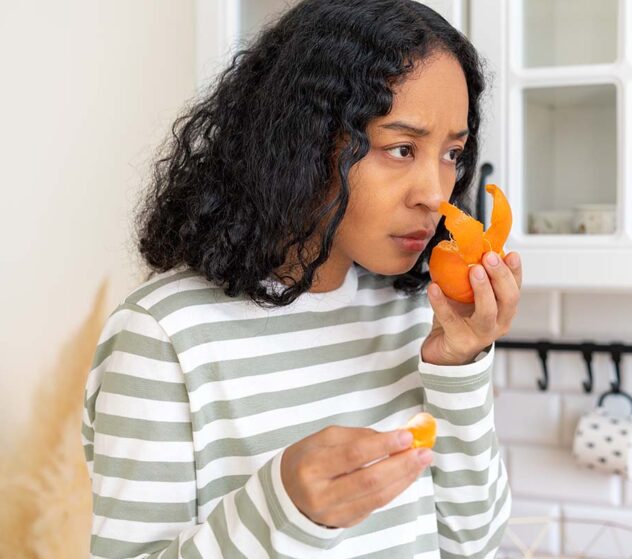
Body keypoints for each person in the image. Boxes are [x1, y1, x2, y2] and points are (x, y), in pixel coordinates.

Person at [81, 0, 522, 557]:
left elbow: (473, 544)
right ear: (305, 141)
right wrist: (281, 507)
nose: (436, 194)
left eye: (451, 153)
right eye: (401, 148)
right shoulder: (165, 336)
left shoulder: (417, 315)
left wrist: (458, 367)